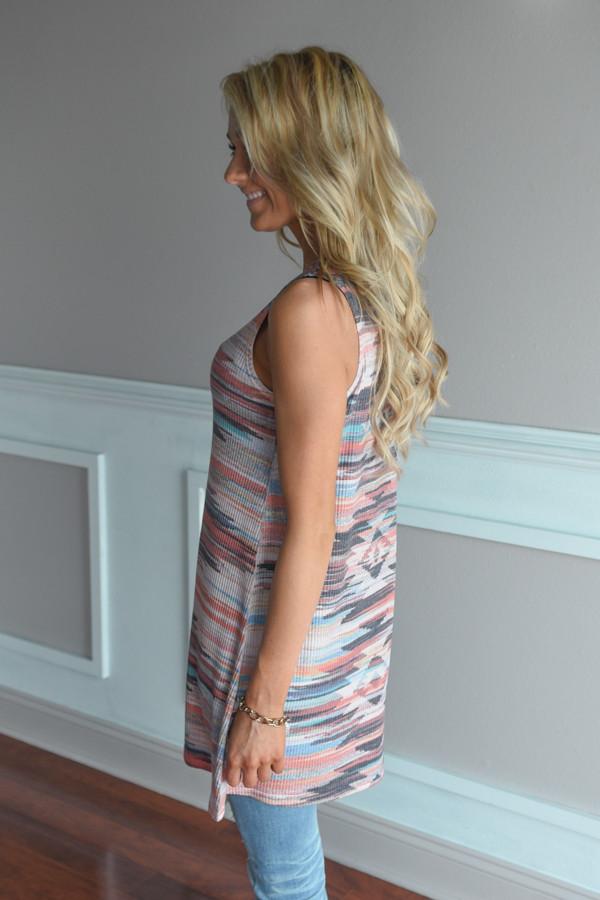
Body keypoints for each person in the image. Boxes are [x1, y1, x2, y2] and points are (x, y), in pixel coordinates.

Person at [183, 46, 448, 899]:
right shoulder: (350, 296)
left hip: (277, 647)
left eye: (248, 153)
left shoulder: (310, 310)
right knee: (288, 858)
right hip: (311, 635)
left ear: (307, 154)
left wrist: (265, 703)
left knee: (284, 869)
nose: (233, 174)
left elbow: (316, 522)